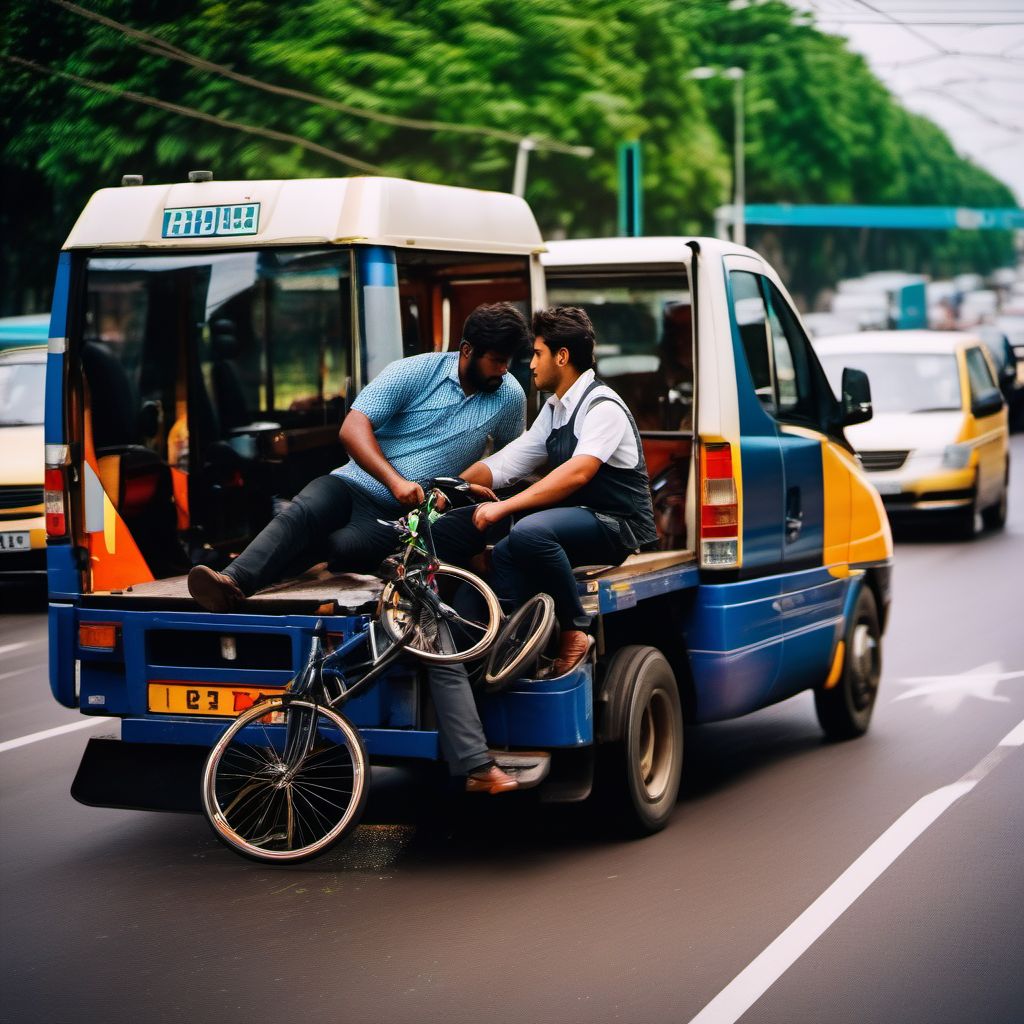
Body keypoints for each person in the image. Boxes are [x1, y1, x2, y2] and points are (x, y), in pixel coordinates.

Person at [187, 300, 532, 794]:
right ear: (467, 349)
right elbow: (353, 428)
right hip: (358, 485)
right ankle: (232, 583)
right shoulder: (413, 372)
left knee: (349, 556)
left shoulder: (508, 396)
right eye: (497, 361)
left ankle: (475, 765)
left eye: (511, 362)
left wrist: (458, 488)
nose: (504, 371)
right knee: (306, 509)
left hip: (404, 521)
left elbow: (506, 460)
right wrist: (394, 480)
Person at [435, 306, 659, 676]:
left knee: (529, 531)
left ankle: (575, 628)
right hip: (579, 520)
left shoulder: (603, 407)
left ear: (562, 356)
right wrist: (451, 488)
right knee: (506, 553)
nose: (531, 365)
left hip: (618, 526)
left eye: (537, 354)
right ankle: (504, 640)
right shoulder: (555, 408)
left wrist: (504, 509)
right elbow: (509, 462)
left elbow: (577, 473)